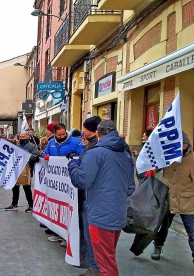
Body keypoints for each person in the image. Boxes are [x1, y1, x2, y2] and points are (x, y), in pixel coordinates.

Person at [68, 120, 135, 276]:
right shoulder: (125, 154)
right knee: (108, 254)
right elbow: (131, 188)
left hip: (100, 215)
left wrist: (72, 165)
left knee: (105, 263)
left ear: (98, 134)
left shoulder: (95, 153)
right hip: (118, 213)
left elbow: (81, 181)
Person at [149, 131, 194, 263]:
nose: (181, 146)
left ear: (187, 144)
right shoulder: (168, 154)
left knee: (192, 232)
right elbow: (157, 164)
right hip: (167, 198)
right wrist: (152, 170)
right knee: (162, 228)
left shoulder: (192, 158)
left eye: (183, 144)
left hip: (187, 201)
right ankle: (157, 246)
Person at [78, 116, 102, 275]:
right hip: (92, 197)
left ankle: (95, 268)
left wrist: (74, 166)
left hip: (92, 198)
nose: (83, 130)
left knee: (92, 235)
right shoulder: (91, 146)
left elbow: (85, 176)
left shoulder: (94, 149)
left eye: (85, 128)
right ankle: (91, 263)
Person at [4, 132, 40, 213]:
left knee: (27, 188)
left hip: (27, 170)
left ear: (27, 137)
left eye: (23, 136)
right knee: (15, 187)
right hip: (16, 170)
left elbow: (36, 156)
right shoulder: (18, 146)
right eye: (20, 136)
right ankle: (14, 204)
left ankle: (31, 205)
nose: (21, 138)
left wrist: (26, 156)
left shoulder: (32, 146)